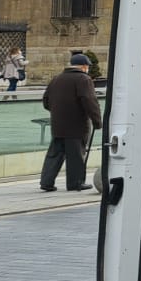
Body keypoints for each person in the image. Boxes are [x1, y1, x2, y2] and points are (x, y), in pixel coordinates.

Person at [40, 52, 101, 193]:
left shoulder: (56, 79)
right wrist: (97, 121)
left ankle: (46, 182)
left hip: (58, 124)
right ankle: (75, 183)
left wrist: (57, 112)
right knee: (76, 155)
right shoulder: (84, 79)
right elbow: (90, 101)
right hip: (77, 124)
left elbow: (46, 101)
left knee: (54, 154)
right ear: (84, 66)